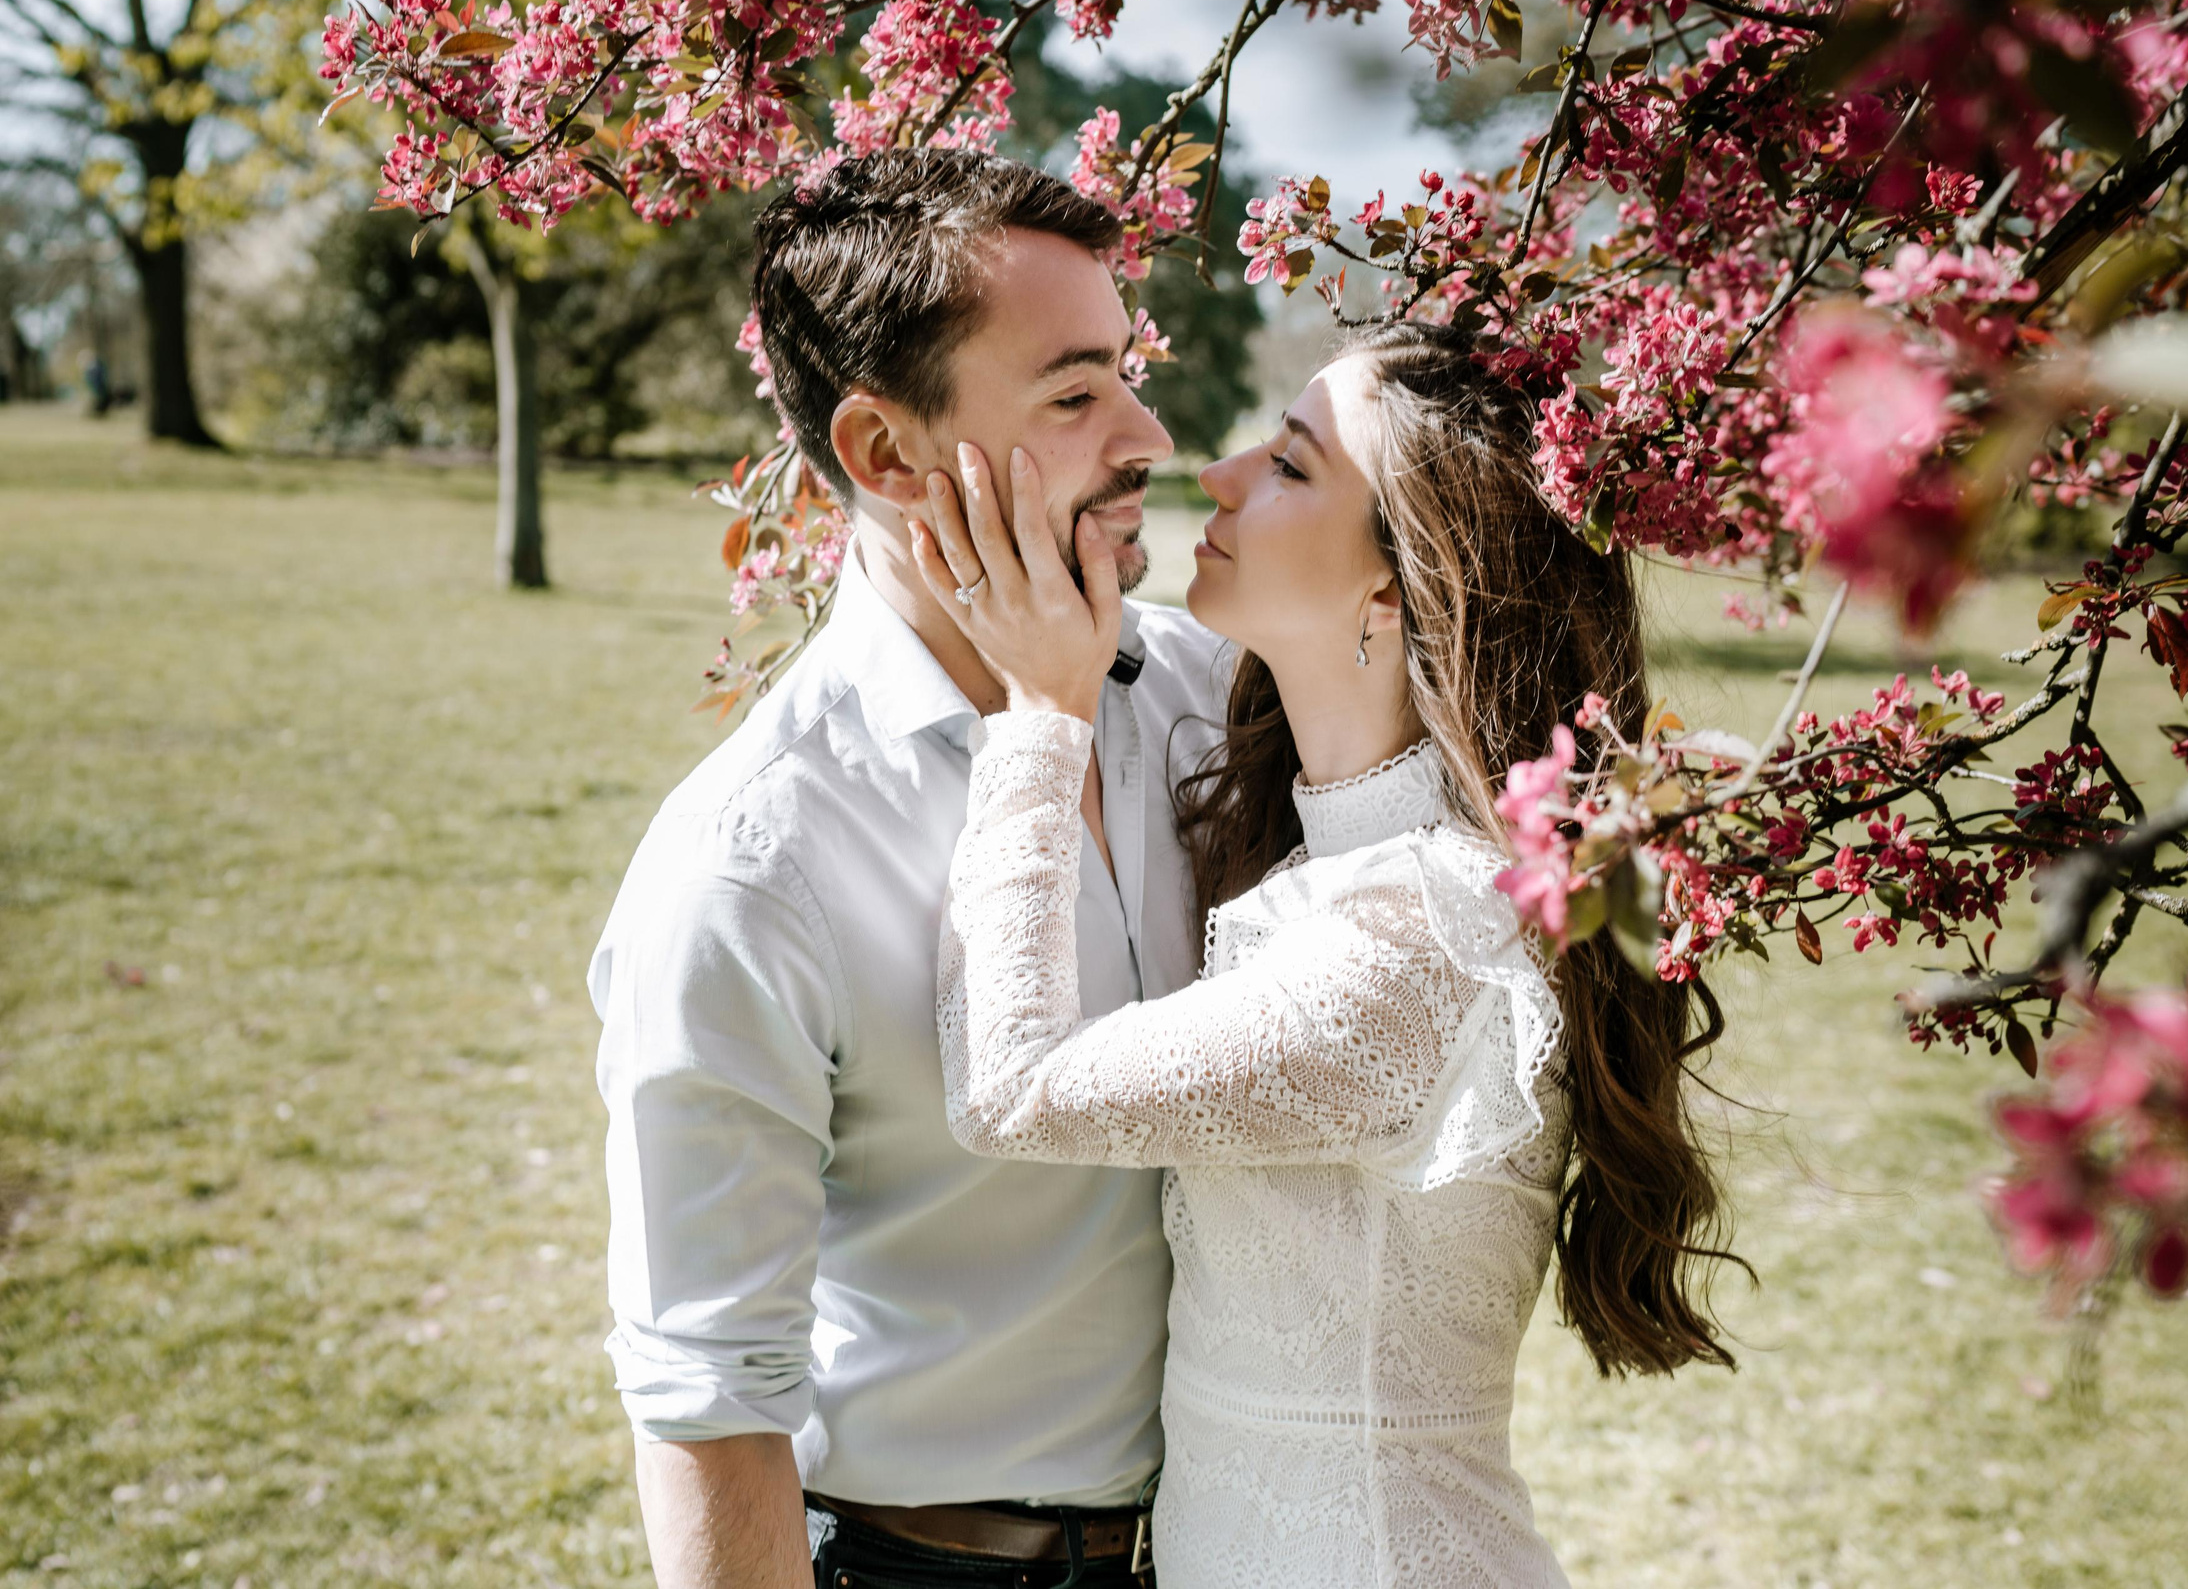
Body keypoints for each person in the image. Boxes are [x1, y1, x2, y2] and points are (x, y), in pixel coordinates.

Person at [912, 321, 1739, 1588]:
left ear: (1391, 588)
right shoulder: (1332, 862)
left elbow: (1012, 1087)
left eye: (1293, 466)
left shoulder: (1426, 933)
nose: (1224, 470)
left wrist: (1039, 716)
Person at [588, 149, 1231, 1589]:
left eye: (1126, 374)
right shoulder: (752, 865)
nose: (1147, 434)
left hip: (1252, 1536)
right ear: (886, 456)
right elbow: (709, 1397)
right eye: (1075, 396)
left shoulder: (1217, 699)